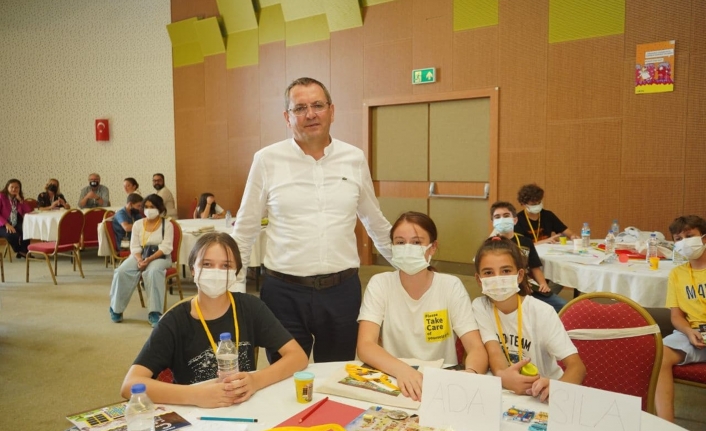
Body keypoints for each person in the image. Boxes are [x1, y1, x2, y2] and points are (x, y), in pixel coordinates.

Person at [232, 77, 393, 364]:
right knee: (286, 378)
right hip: (283, 293)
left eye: (318, 105)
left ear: (332, 110)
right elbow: (245, 230)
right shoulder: (266, 160)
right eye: (300, 108)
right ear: (287, 117)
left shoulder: (353, 158)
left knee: (338, 375)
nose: (310, 114)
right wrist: (233, 293)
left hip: (342, 292)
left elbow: (374, 221)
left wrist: (411, 268)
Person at [120, 232, 308, 408]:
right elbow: (130, 385)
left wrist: (256, 380)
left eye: (226, 266)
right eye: (207, 264)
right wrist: (195, 395)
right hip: (195, 413)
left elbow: (298, 356)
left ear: (236, 273)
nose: (216, 272)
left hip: (243, 407)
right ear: (193, 269)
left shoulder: (250, 308)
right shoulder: (174, 321)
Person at [357, 212, 488, 401]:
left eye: (417, 242)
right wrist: (404, 371)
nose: (407, 248)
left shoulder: (450, 286)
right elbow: (365, 345)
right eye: (400, 242)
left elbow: (476, 347)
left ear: (433, 247)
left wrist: (471, 374)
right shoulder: (380, 284)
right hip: (394, 375)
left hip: (442, 378)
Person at [472, 237, 585, 402]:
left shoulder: (542, 312)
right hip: (508, 392)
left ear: (519, 275)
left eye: (505, 271)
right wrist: (504, 377)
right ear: (479, 280)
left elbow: (577, 367)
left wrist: (558, 389)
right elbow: (494, 352)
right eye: (488, 273)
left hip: (543, 394)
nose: (498, 278)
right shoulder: (480, 307)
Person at [655, 215, 706, 422]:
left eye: (689, 236)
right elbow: (676, 316)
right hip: (692, 334)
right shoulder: (677, 274)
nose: (683, 242)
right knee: (658, 356)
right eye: (678, 238)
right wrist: (689, 332)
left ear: (703, 238)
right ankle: (666, 425)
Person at [489, 201, 567, 313]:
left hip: (530, 287)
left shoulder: (525, 242)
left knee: (564, 307)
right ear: (493, 222)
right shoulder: (490, 245)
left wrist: (543, 284)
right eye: (497, 217)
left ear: (515, 220)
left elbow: (534, 266)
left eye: (506, 216)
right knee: (527, 311)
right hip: (505, 289)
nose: (502, 219)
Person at [109, 194, 173, 327]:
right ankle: (116, 308)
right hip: (139, 255)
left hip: (160, 256)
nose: (149, 209)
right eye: (146, 207)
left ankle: (155, 312)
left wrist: (149, 259)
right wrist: (139, 260)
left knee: (153, 272)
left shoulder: (167, 225)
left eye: (152, 207)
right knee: (121, 271)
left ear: (159, 208)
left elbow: (166, 247)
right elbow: (134, 247)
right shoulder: (138, 224)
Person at [0, 179, 32, 258]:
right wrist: (6, 224)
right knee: (13, 235)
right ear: (7, 187)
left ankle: (24, 251)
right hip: (2, 223)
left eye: (17, 187)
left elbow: (28, 210)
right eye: (12, 187)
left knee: (27, 231)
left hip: (15, 221)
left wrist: (20, 200)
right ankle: (20, 251)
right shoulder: (1, 196)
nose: (14, 189)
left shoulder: (18, 198)